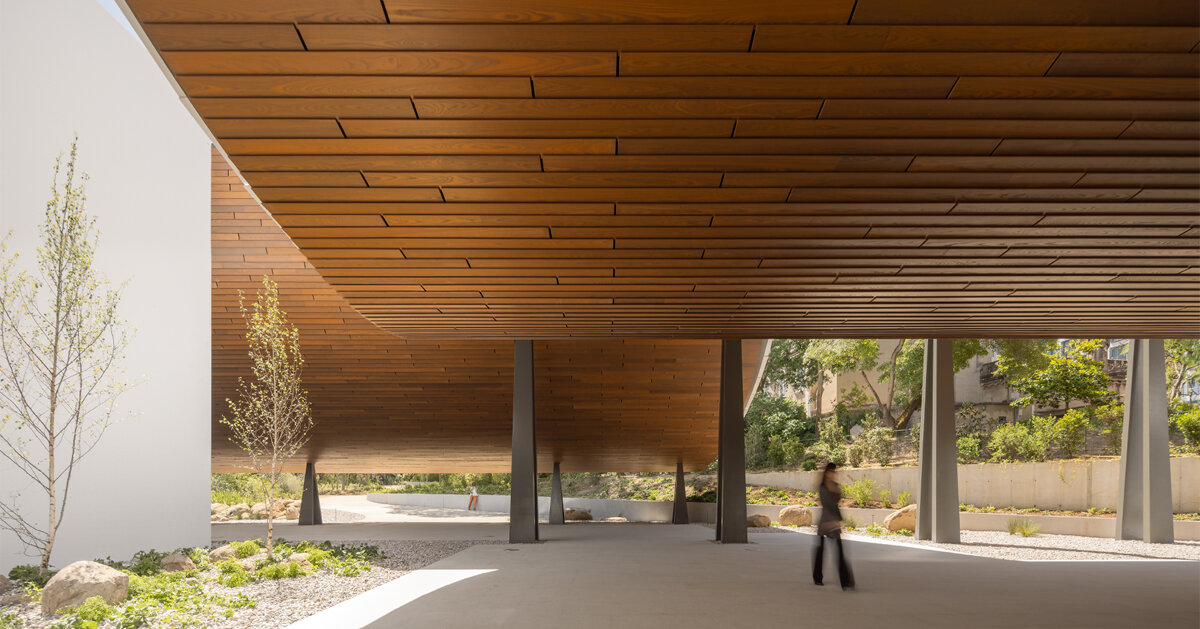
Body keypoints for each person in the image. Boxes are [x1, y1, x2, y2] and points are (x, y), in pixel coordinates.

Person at [813, 462, 854, 590]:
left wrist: (838, 520)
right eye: (831, 471)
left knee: (839, 552)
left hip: (834, 521)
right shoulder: (822, 487)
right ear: (827, 472)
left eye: (834, 471)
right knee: (820, 551)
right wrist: (832, 521)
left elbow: (836, 505)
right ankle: (817, 578)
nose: (833, 474)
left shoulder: (836, 486)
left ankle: (845, 581)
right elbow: (826, 505)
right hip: (825, 520)